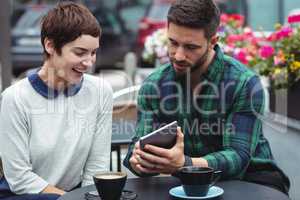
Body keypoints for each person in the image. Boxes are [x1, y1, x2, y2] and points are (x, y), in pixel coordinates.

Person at [123, 0, 290, 195]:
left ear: (212, 42)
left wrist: (184, 164)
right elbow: (136, 151)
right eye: (173, 43)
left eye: (190, 47)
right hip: (188, 182)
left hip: (252, 178)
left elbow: (238, 157)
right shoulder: (154, 85)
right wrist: (140, 161)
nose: (178, 55)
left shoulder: (244, 83)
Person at [0, 2, 113, 200]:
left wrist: (86, 197)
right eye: (79, 53)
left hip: (74, 195)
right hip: (25, 196)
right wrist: (73, 199)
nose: (89, 62)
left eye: (93, 52)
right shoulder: (15, 99)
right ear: (50, 45)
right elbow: (19, 178)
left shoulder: (100, 91)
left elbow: (97, 165)